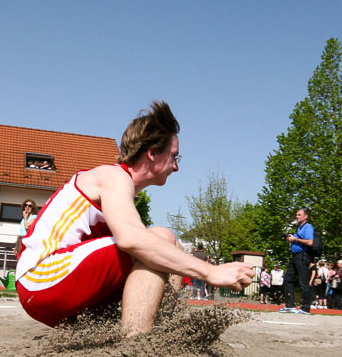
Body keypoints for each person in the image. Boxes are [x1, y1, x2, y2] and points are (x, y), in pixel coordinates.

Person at [15, 101, 255, 335]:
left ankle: (162, 331)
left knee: (172, 248)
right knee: (161, 238)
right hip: (41, 279)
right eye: (174, 157)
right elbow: (132, 240)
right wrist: (210, 272)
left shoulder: (120, 191)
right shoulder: (112, 177)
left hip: (55, 292)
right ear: (151, 153)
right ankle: (137, 342)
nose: (176, 167)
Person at [280, 207, 315, 315]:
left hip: (303, 256)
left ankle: (305, 308)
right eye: (296, 214)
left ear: (306, 216)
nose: (297, 216)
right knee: (287, 280)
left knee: (303, 282)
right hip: (295, 257)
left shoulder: (308, 227)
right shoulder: (299, 228)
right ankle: (290, 305)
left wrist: (295, 239)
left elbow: (310, 242)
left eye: (299, 215)